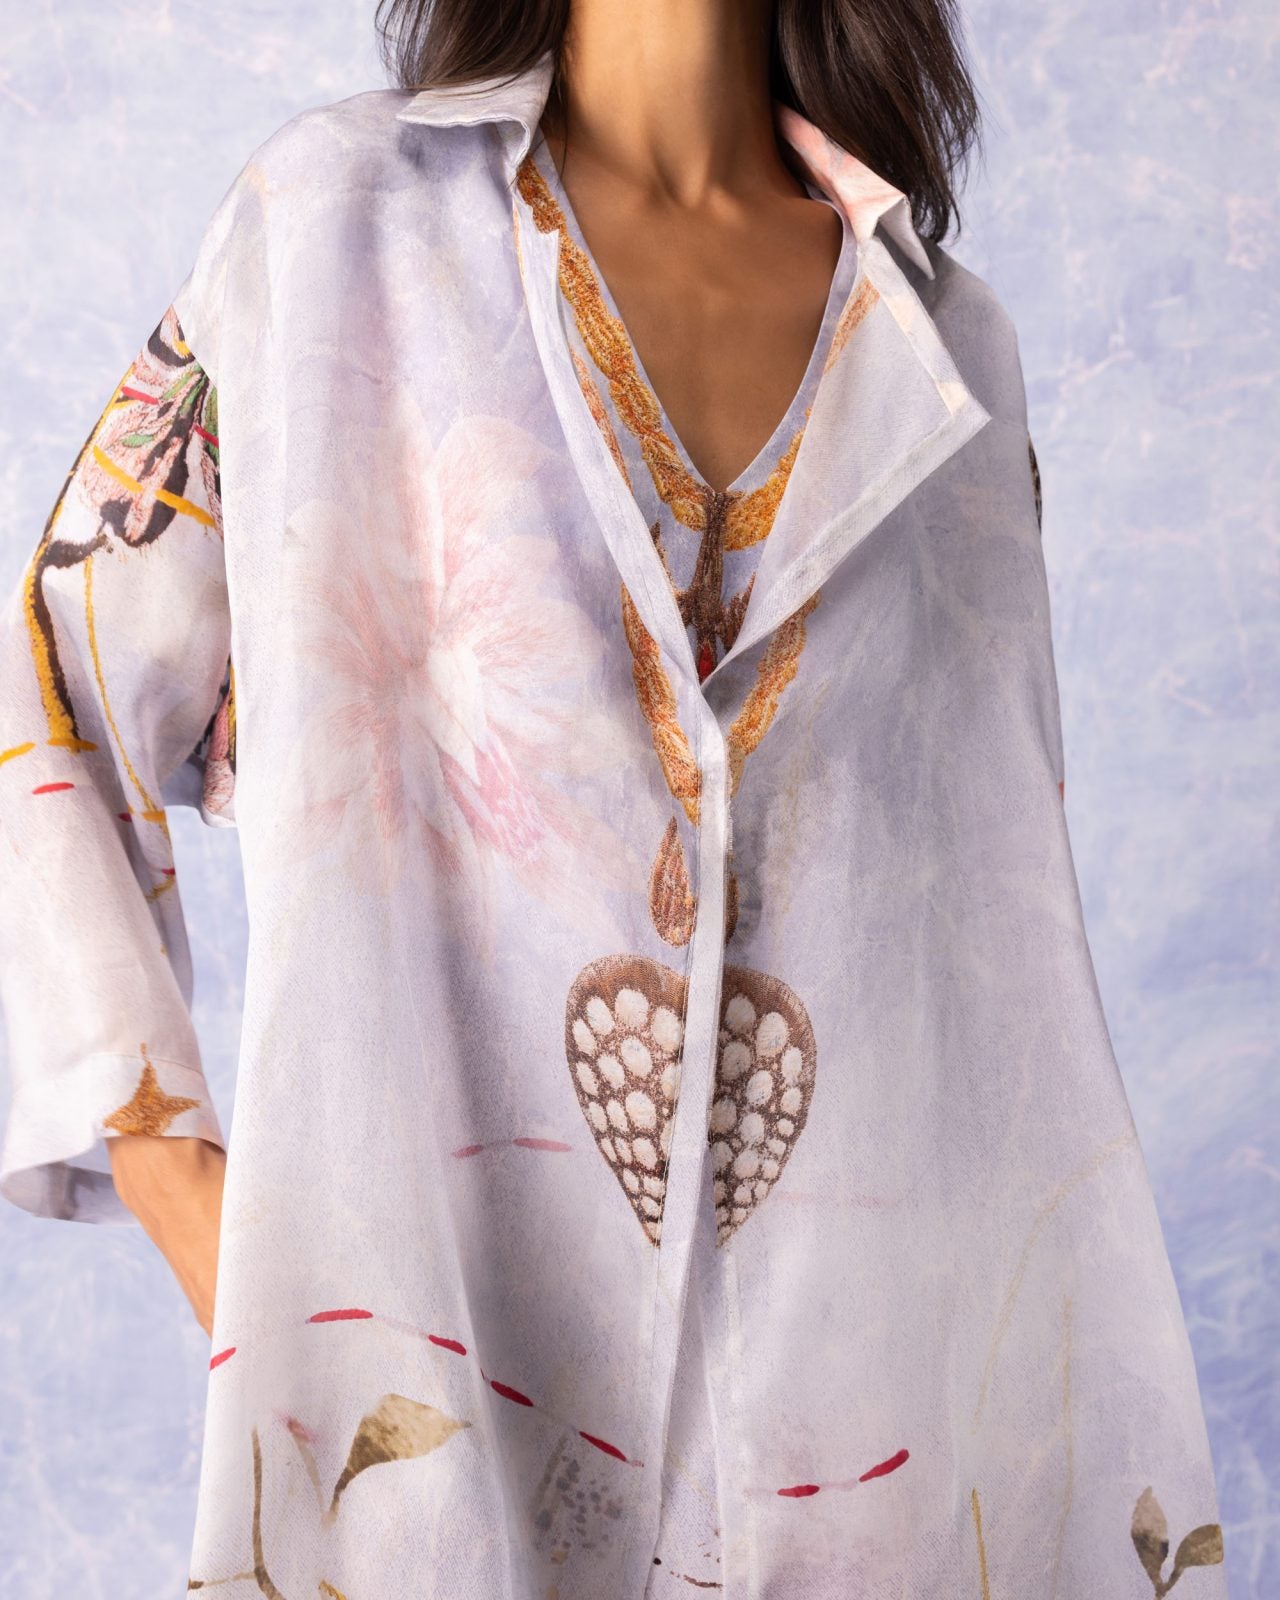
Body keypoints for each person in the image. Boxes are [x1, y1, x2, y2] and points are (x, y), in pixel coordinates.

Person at [0, 2, 1228, 1597]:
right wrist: (192, 1198)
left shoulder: (946, 346)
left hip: (884, 1479)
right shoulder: (331, 236)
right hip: (439, 1462)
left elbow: (991, 986)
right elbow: (52, 695)